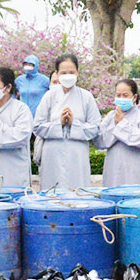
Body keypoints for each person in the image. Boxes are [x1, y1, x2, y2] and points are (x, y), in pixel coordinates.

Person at [34, 54, 99, 190]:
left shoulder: (86, 97)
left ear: (78, 73)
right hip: (52, 153)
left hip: (77, 153)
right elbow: (37, 126)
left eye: (71, 72)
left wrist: (73, 124)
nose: (68, 76)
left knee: (78, 190)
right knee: (52, 192)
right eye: (63, 73)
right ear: (57, 74)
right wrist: (59, 124)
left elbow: (95, 127)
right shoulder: (49, 96)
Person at [97, 79, 140, 186]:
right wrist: (115, 124)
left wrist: (122, 124)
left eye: (125, 95)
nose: (121, 99)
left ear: (134, 97)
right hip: (113, 167)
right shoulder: (110, 116)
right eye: (118, 95)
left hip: (134, 169)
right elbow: (101, 141)